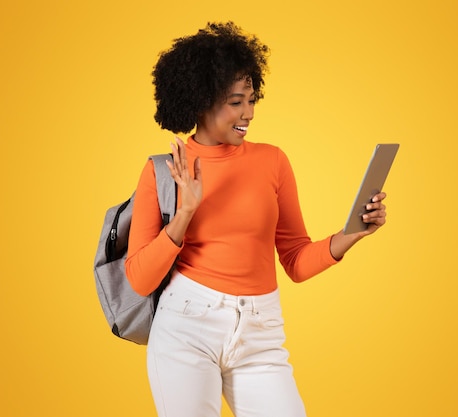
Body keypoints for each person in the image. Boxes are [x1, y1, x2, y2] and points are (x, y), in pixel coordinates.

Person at [125, 21, 388, 417]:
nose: (248, 113)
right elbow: (140, 279)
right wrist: (184, 214)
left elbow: (296, 261)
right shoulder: (163, 171)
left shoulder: (272, 161)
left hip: (261, 330)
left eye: (252, 99)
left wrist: (353, 233)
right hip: (187, 326)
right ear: (201, 101)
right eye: (236, 102)